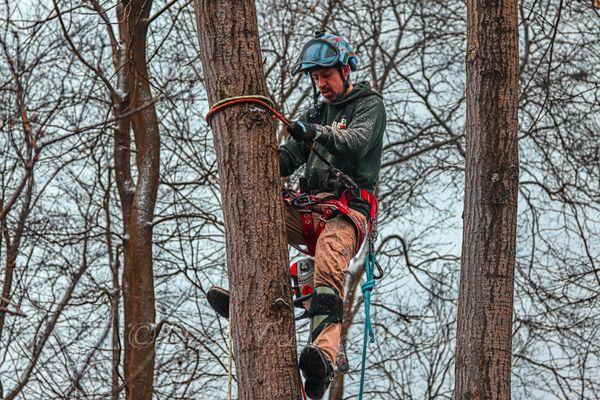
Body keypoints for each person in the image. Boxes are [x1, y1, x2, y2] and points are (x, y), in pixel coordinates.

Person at [207, 31, 386, 399]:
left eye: (326, 74)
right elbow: (288, 159)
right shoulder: (315, 113)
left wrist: (315, 133)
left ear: (344, 69)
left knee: (329, 261)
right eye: (315, 77)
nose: (320, 83)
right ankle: (249, 294)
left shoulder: (368, 104)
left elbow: (356, 141)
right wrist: (253, 157)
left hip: (346, 212)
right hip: (309, 208)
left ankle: (323, 354)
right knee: (261, 208)